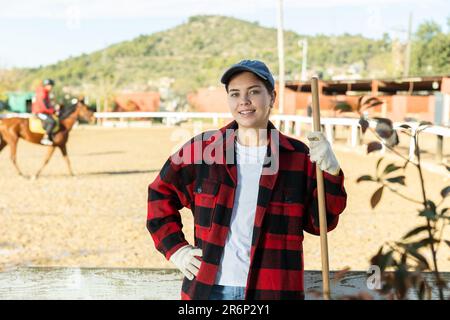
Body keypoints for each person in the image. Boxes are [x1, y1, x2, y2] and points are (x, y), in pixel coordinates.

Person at [146, 60, 347, 300]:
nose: (244, 101)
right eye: (235, 94)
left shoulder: (299, 157)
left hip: (274, 291)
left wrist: (331, 172)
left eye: (253, 91)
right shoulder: (202, 151)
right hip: (209, 291)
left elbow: (322, 222)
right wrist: (176, 248)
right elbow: (160, 194)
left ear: (272, 97)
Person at [32, 79, 57, 145]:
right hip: (39, 112)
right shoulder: (42, 93)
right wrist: (52, 111)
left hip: (43, 112)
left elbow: (48, 105)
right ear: (47, 85)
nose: (51, 88)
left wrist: (53, 109)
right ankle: (45, 138)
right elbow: (43, 106)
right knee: (52, 122)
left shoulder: (45, 92)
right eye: (51, 86)